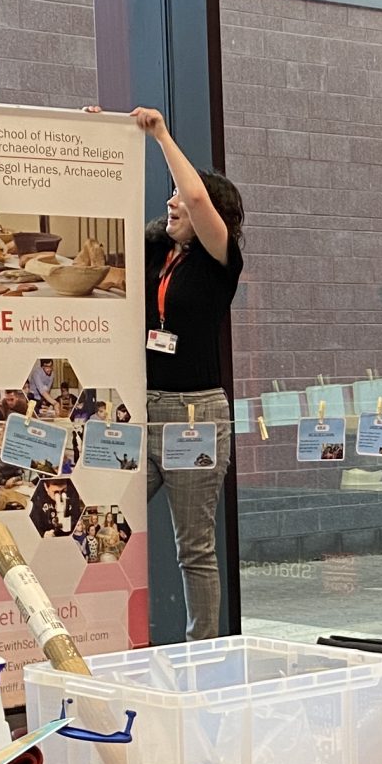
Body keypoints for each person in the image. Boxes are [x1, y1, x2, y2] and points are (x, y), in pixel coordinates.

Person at [138, 110, 244, 641]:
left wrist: (159, 134)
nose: (173, 201)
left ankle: (201, 652)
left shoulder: (221, 260)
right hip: (138, 411)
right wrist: (100, 138)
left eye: (180, 196)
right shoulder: (155, 250)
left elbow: (198, 199)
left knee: (193, 545)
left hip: (193, 415)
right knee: (104, 512)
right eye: (171, 196)